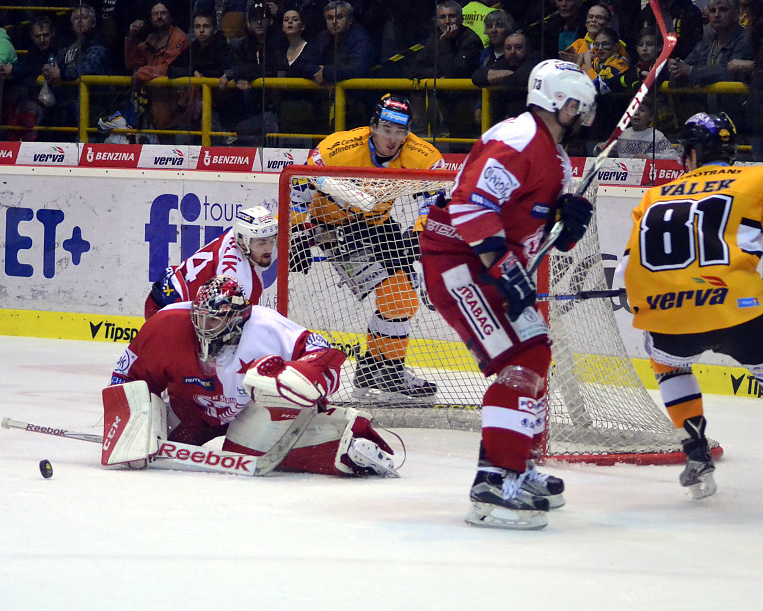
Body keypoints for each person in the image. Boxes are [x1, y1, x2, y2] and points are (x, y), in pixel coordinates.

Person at [419, 59, 597, 529]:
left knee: (535, 353)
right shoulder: (518, 139)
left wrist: (567, 222)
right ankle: (495, 484)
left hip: (488, 267)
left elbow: (531, 227)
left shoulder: (552, 155)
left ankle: (518, 464)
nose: (583, 115)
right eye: (580, 106)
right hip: (458, 265)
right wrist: (503, 268)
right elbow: (469, 204)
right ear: (563, 103)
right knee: (519, 362)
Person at [107, 275, 398, 477]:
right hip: (191, 412)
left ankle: (346, 443)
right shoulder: (168, 324)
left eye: (214, 318)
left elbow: (324, 355)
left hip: (247, 415)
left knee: (246, 452)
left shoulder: (266, 327)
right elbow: (126, 378)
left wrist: (299, 376)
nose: (202, 326)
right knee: (157, 440)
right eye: (200, 316)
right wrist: (128, 427)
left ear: (236, 316)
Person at [620, 112, 763, 500]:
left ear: (691, 153)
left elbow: (627, 266)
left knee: (668, 365)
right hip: (736, 308)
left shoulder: (655, 194)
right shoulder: (755, 178)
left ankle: (696, 453)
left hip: (668, 317)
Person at [293, 93, 446, 399]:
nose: (393, 138)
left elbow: (434, 197)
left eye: (400, 131)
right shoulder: (338, 148)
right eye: (387, 129)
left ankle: (373, 372)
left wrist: (419, 233)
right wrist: (299, 233)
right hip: (333, 230)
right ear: (373, 126)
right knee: (400, 297)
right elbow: (298, 185)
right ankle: (385, 373)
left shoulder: (421, 154)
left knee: (402, 297)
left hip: (376, 225)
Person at [145, 205, 278, 319]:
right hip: (168, 311)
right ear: (243, 244)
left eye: (272, 240)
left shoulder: (240, 235)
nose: (269, 248)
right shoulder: (236, 276)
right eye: (261, 243)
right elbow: (226, 325)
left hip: (173, 296)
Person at [406, 1, 483, 137]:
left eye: (452, 16)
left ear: (461, 19)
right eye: (442, 17)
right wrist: (438, 75)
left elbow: (455, 73)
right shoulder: (434, 39)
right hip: (446, 102)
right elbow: (413, 69)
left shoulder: (471, 39)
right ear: (436, 21)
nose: (447, 21)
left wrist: (445, 43)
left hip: (467, 103)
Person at [125, 2, 190, 140]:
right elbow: (132, 64)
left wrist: (142, 73)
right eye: (155, 14)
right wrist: (132, 37)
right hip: (155, 110)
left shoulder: (180, 38)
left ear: (171, 17)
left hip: (177, 111)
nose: (159, 17)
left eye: (163, 13)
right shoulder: (150, 39)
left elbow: (168, 68)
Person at [594, 96, 679, 159]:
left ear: (651, 117)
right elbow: (598, 153)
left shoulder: (656, 136)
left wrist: (649, 157)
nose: (636, 113)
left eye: (642, 110)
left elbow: (674, 156)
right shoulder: (622, 134)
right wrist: (600, 148)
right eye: (633, 110)